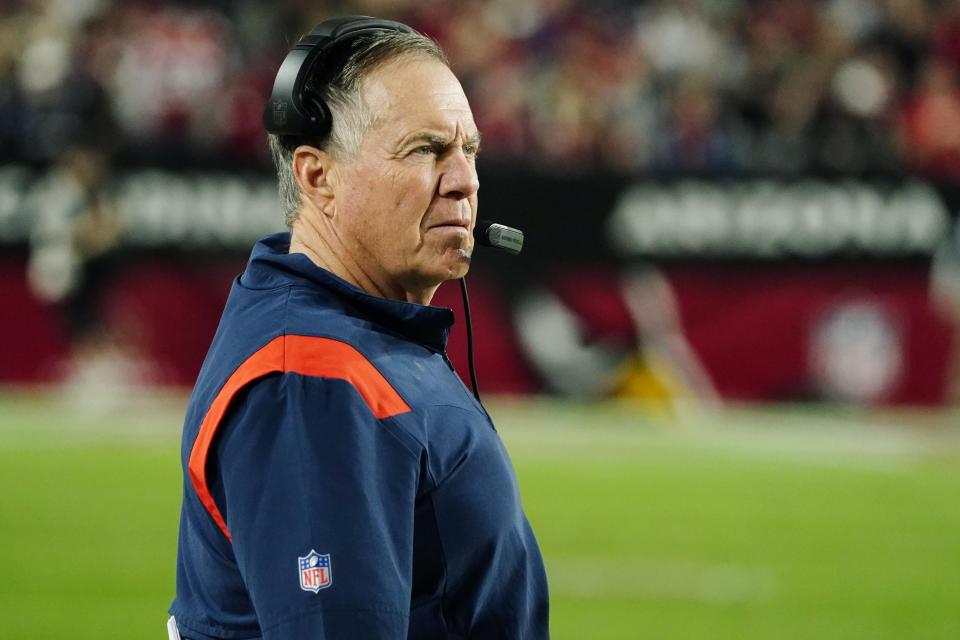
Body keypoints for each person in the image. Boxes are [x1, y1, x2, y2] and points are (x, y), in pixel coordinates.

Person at [168, 16, 549, 640]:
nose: (465, 181)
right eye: (424, 150)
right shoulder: (313, 378)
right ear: (318, 176)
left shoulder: (360, 333)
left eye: (469, 149)